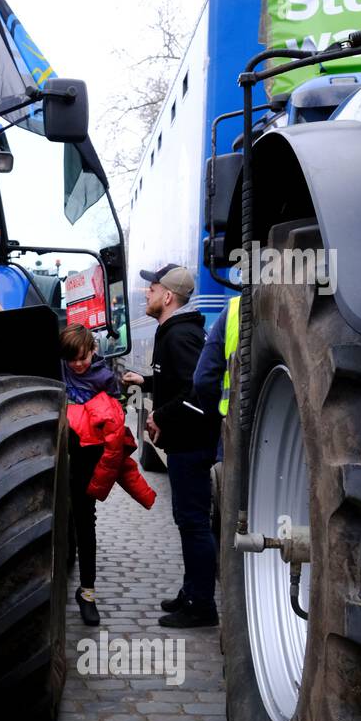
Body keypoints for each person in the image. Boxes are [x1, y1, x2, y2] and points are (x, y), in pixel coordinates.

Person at [122, 264, 223, 628]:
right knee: (188, 521)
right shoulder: (174, 331)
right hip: (187, 443)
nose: (146, 293)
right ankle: (191, 590)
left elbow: (197, 393)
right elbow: (180, 382)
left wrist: (159, 416)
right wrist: (147, 382)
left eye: (152, 289)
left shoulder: (179, 336)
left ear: (167, 296)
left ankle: (202, 606)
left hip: (191, 445)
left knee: (194, 523)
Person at [61, 324, 156, 624]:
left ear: (92, 350)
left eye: (82, 357)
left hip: (86, 462)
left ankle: (87, 593)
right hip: (55, 458)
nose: (77, 364)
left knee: (85, 525)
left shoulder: (104, 380)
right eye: (70, 359)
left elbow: (114, 429)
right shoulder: (58, 371)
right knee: (61, 522)